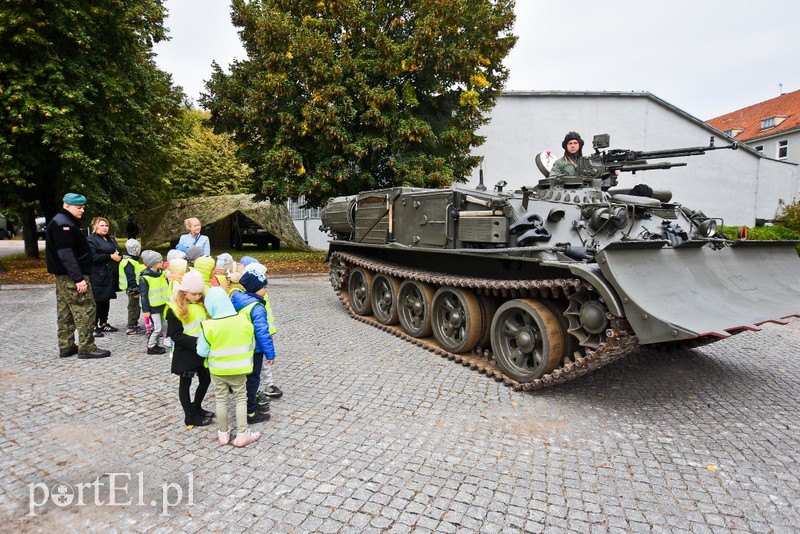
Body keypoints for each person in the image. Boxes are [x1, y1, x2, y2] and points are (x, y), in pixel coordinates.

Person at [45, 193, 110, 359]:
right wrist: (78, 278)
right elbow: (66, 254)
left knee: (65, 311)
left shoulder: (61, 221)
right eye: (78, 207)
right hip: (72, 276)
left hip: (64, 276)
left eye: (83, 207)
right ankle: (87, 347)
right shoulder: (64, 225)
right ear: (66, 205)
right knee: (86, 309)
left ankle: (66, 346)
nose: (82, 210)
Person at [197, 287, 260, 447]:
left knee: (221, 399)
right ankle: (242, 433)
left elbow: (202, 352)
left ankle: (223, 433)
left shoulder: (208, 325)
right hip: (239, 369)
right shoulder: (244, 320)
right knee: (240, 399)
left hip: (217, 370)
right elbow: (251, 344)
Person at [165, 270, 214, 429]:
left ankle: (196, 407)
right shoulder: (175, 309)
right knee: (185, 384)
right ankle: (189, 416)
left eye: (200, 294)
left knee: (205, 380)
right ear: (184, 292)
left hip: (201, 351)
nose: (197, 297)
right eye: (194, 294)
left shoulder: (201, 305)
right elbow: (175, 334)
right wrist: (195, 341)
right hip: (186, 352)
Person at [230, 270, 277, 425]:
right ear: (256, 289)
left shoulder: (238, 300)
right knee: (252, 381)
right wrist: (270, 354)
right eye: (264, 287)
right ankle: (250, 412)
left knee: (244, 380)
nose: (266, 290)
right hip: (254, 350)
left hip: (240, 347)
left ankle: (246, 406)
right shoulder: (256, 307)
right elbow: (262, 332)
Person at [87, 216, 122, 335]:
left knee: (106, 299)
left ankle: (104, 323)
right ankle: (93, 325)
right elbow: (93, 257)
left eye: (106, 225)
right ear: (95, 227)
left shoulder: (110, 239)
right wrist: (110, 256)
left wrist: (118, 256)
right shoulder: (91, 240)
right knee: (97, 300)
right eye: (101, 225)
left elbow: (117, 250)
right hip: (98, 275)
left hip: (110, 274)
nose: (104, 228)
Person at [139, 250, 169, 355]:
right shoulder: (145, 278)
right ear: (153, 263)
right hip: (153, 307)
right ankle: (151, 346)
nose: (162, 262)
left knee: (160, 326)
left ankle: (156, 344)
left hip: (162, 305)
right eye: (159, 261)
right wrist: (146, 310)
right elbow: (144, 296)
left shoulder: (161, 274)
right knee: (157, 328)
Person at [119, 239, 145, 335]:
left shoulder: (130, 261)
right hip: (132, 289)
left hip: (133, 288)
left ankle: (134, 324)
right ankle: (131, 327)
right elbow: (131, 277)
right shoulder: (129, 262)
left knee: (136, 307)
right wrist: (135, 290)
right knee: (133, 307)